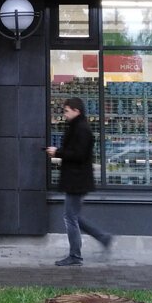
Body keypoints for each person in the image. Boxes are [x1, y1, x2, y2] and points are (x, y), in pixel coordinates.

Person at [46, 97, 113, 266]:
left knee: (70, 217)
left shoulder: (81, 129)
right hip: (76, 179)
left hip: (77, 180)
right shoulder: (78, 127)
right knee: (73, 216)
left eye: (67, 111)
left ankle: (75, 255)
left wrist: (58, 152)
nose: (65, 114)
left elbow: (79, 154)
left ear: (77, 111)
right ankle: (103, 237)